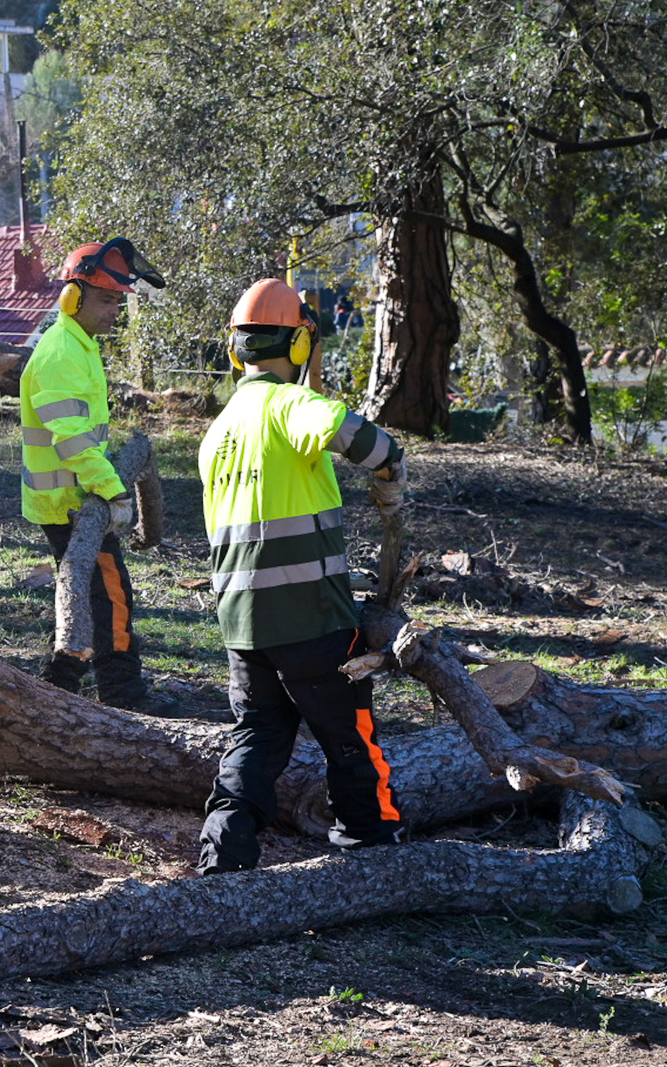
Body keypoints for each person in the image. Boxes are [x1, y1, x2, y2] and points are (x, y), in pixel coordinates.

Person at [196, 277, 407, 875]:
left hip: (241, 621)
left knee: (258, 731)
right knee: (348, 733)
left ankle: (225, 846)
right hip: (311, 616)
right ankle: (369, 839)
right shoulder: (289, 405)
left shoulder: (219, 430)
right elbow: (371, 443)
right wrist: (392, 476)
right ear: (297, 345)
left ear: (237, 348)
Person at [20, 238, 172, 714]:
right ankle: (123, 699)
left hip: (77, 498)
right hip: (73, 503)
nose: (115, 312)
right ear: (73, 296)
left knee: (88, 597)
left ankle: (58, 691)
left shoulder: (78, 345)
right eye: (107, 300)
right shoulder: (61, 353)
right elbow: (68, 436)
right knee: (111, 599)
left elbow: (82, 431)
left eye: (118, 301)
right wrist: (112, 488)